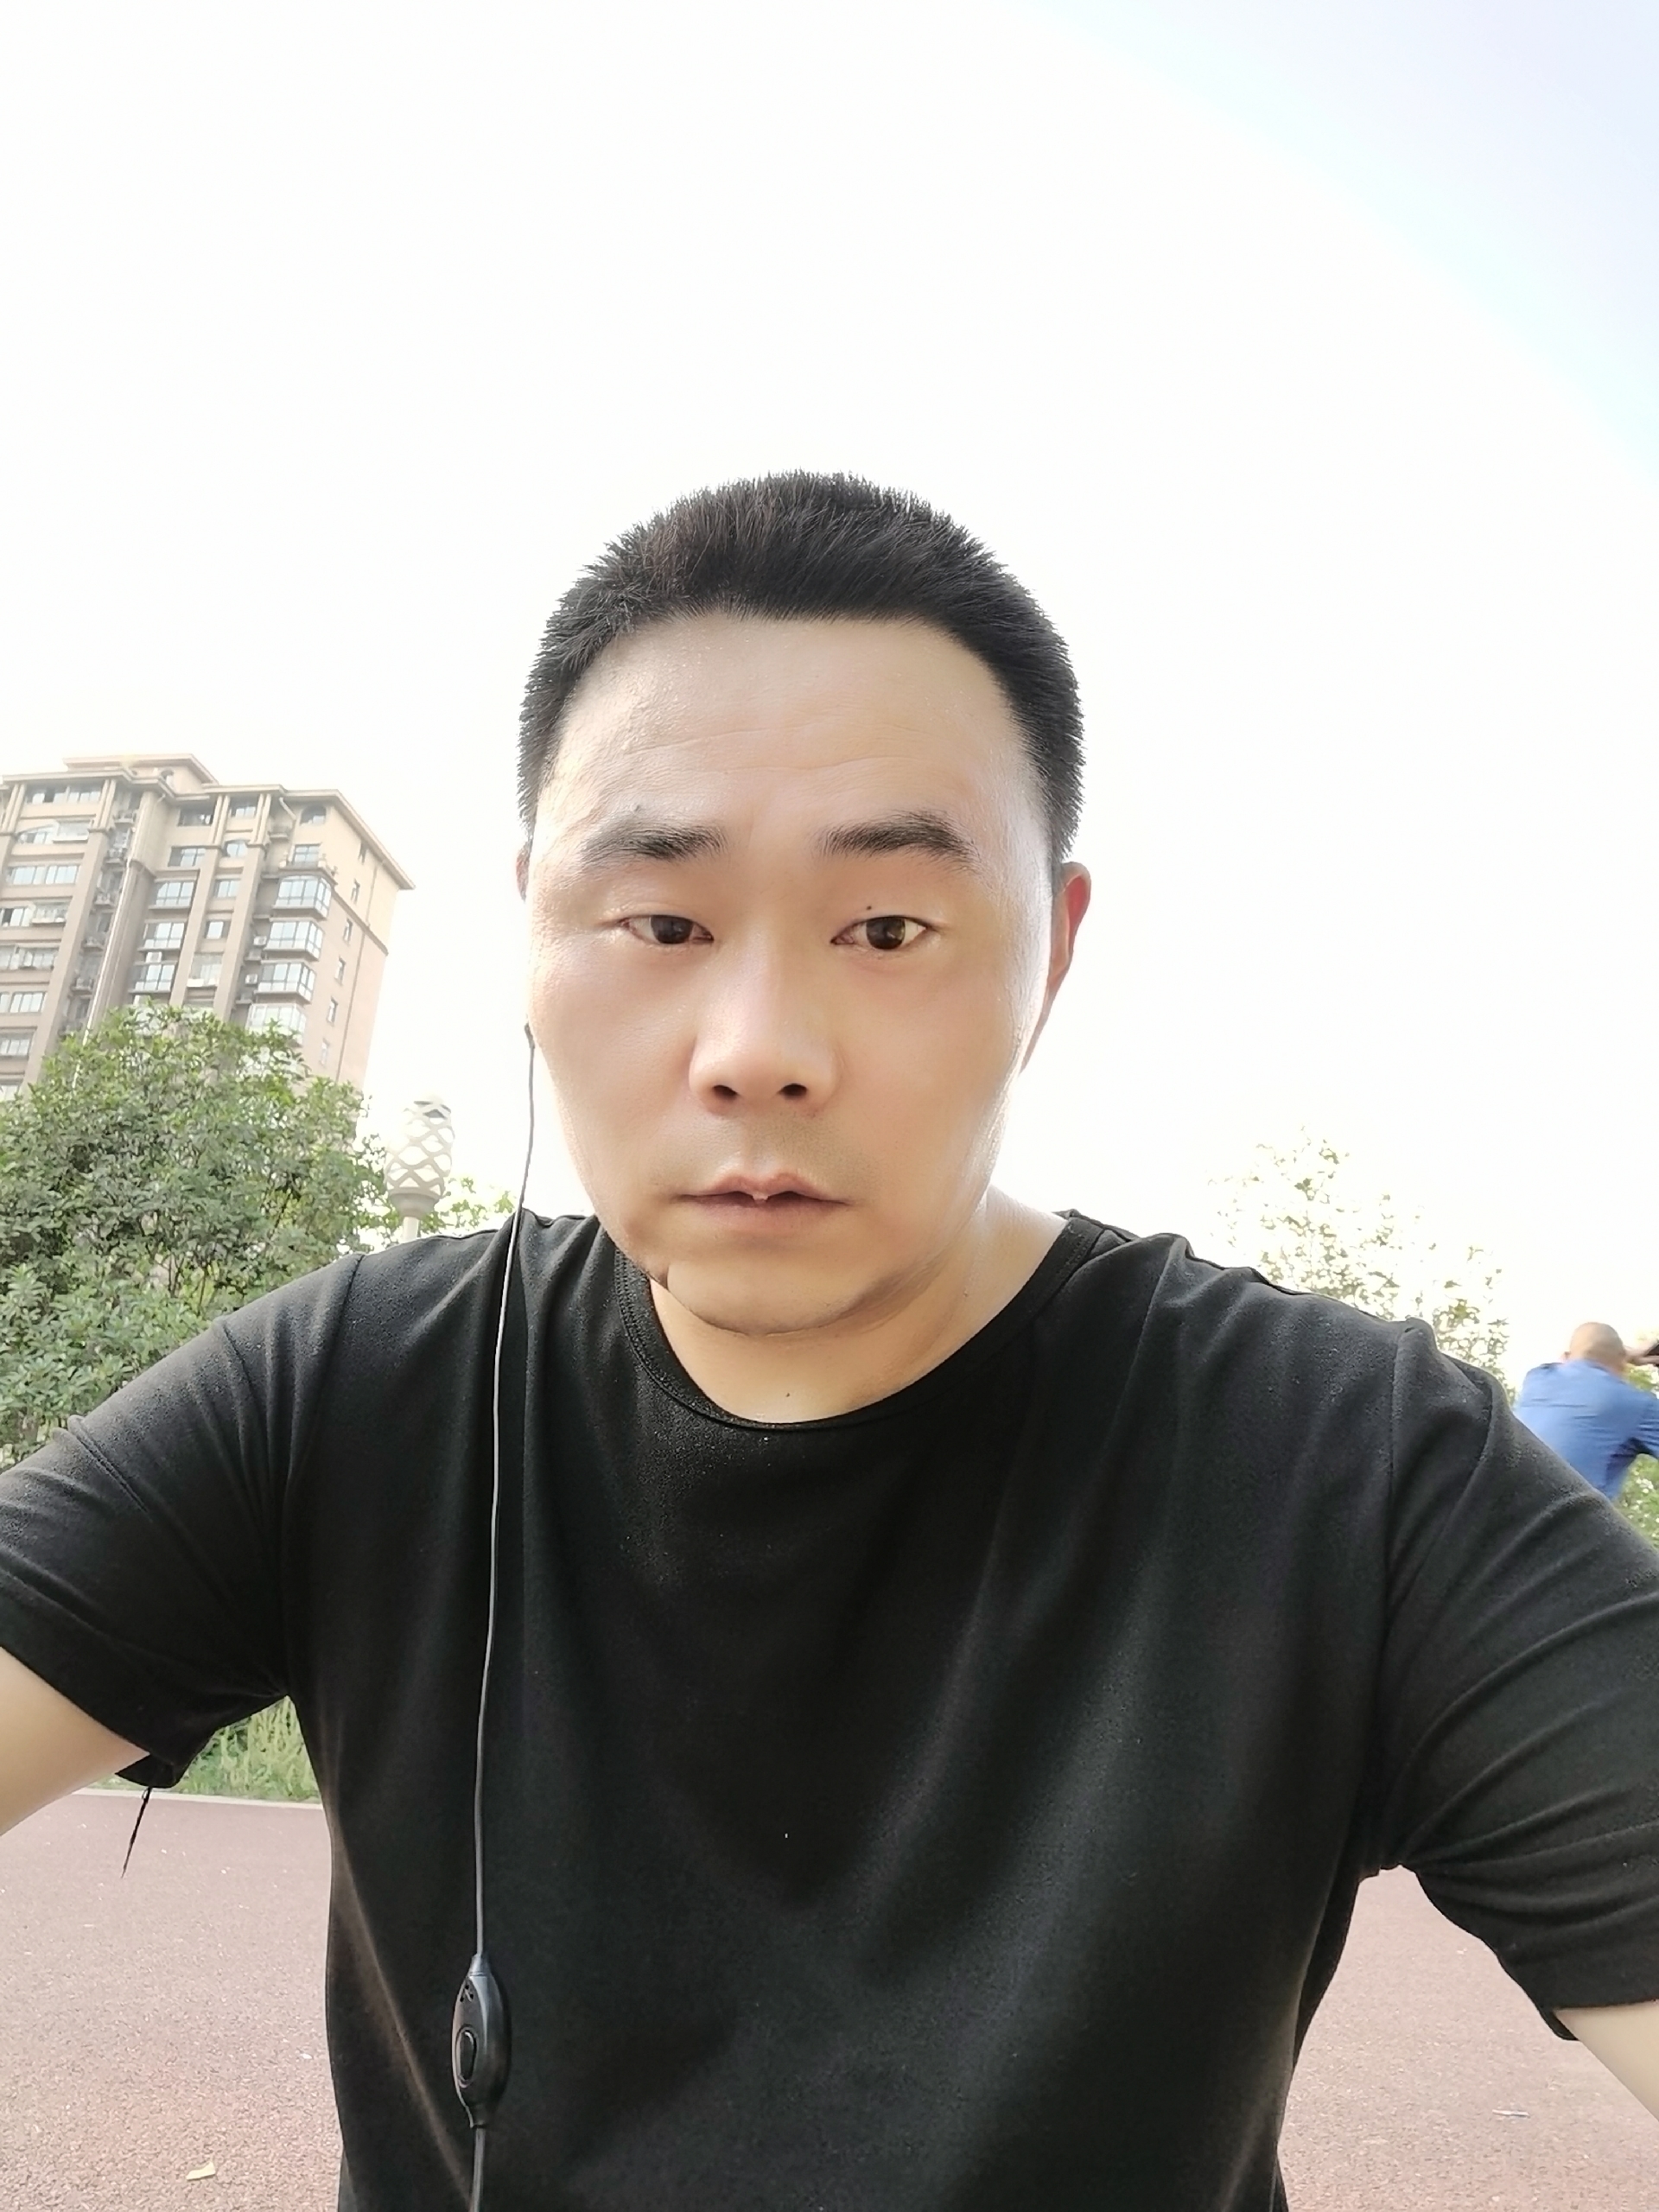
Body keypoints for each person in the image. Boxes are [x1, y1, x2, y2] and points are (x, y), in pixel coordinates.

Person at [2, 473, 1658, 2211]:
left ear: (1052, 952)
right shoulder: (354, 1391)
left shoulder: (1345, 1466)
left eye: (887, 928)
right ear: (537, 929)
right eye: (663, 922)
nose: (758, 1048)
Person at [1514, 1322, 1659, 1503]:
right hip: (1561, 1517)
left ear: (1566, 1356)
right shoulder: (1636, 1404)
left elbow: (1579, 1357)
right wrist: (1621, 1355)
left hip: (1493, 1506)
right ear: (1622, 1363)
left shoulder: (1537, 1377)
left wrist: (1620, 1354)